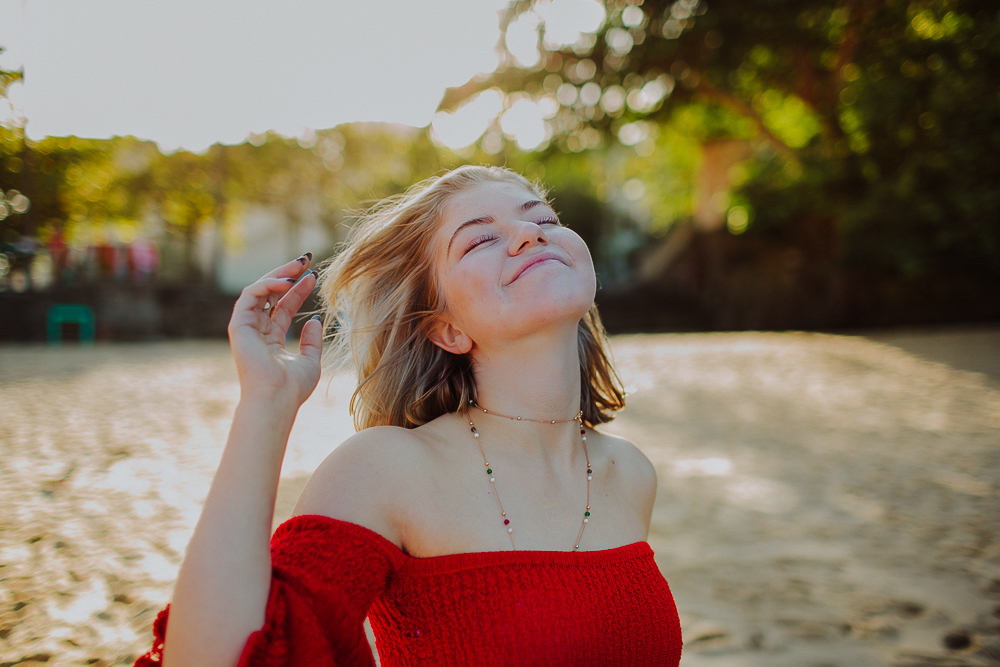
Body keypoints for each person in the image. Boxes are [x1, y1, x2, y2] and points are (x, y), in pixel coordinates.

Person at [135, 165, 683, 667]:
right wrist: (265, 403)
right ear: (447, 329)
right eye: (480, 240)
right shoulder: (386, 469)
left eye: (544, 219)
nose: (529, 234)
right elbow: (214, 657)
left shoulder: (630, 473)